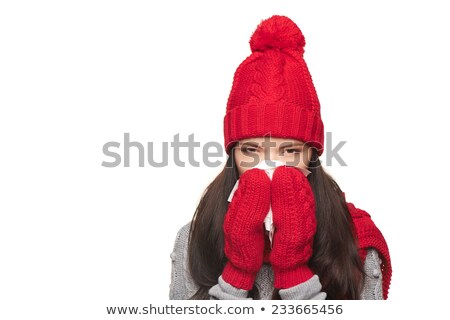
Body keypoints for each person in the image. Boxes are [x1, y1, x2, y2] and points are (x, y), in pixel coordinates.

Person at [169, 15, 392, 300]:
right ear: (232, 154)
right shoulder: (193, 238)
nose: (269, 166)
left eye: (289, 151)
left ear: (312, 154)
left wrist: (295, 273)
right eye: (251, 150)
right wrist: (236, 275)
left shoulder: (355, 240)